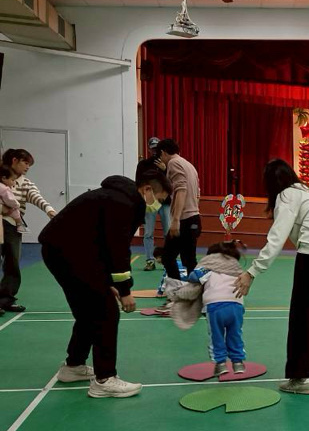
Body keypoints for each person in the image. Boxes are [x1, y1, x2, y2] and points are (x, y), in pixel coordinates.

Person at [39, 161, 171, 398]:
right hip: (67, 252)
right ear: (147, 190)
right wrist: (125, 291)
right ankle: (104, 379)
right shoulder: (122, 204)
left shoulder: (122, 199)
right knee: (106, 311)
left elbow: (103, 244)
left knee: (88, 311)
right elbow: (117, 250)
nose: (158, 206)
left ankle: (73, 366)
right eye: (159, 199)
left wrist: (108, 282)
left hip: (69, 251)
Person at [234, 159, 309, 395]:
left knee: (304, 316)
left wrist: (252, 272)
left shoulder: (287, 195)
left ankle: (301, 378)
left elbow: (277, 237)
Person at [1, 149, 57, 313]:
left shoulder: (26, 183)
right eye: (25, 163)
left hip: (13, 226)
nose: (27, 167)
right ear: (14, 160)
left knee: (12, 263)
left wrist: (49, 210)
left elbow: (36, 197)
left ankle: (5, 299)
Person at [187, 241, 247, 376]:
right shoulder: (237, 270)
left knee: (216, 335)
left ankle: (220, 364)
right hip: (236, 305)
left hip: (215, 306)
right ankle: (238, 363)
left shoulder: (208, 270)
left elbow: (193, 276)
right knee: (235, 333)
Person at [155, 139, 202, 281]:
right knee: (189, 260)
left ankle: (175, 289)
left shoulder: (173, 163)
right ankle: (194, 290)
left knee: (168, 257)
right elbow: (197, 193)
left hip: (184, 219)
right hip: (194, 216)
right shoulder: (189, 165)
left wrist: (176, 220)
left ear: (163, 152)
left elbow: (181, 189)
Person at [143, 137, 172, 272]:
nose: (155, 151)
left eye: (157, 148)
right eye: (152, 148)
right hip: (151, 202)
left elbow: (172, 181)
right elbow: (141, 182)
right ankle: (150, 260)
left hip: (165, 202)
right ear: (149, 149)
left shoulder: (168, 164)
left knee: (168, 232)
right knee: (148, 233)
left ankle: (168, 259)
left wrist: (165, 170)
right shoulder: (144, 164)